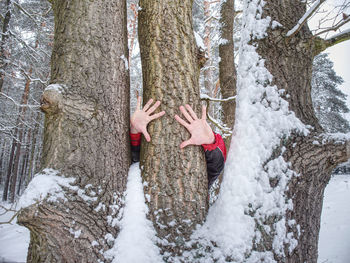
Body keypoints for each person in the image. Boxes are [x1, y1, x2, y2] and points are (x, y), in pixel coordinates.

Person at [130, 96, 226, 187]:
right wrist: (135, 131)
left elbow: (216, 168)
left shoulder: (203, 184)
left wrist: (211, 143)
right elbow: (136, 160)